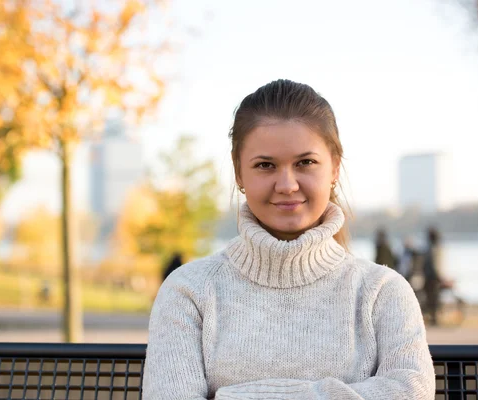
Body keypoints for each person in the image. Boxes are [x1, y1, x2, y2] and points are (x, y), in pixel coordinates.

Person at [142, 79, 435, 399]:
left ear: (334, 167)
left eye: (305, 163)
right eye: (265, 165)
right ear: (239, 174)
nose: (287, 184)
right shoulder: (189, 290)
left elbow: (411, 391)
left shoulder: (382, 291)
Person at [422, 226, 443, 326]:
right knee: (433, 297)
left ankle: (433, 318)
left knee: (432, 297)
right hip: (432, 277)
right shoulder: (435, 247)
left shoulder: (431, 248)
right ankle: (433, 317)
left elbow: (435, 265)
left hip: (431, 277)